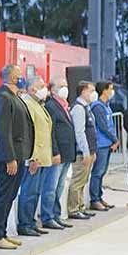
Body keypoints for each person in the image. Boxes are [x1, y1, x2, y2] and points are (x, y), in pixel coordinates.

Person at [0, 64, 33, 250]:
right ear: (12, 78)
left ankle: (2, 232)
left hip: (18, 153)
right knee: (4, 194)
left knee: (11, 195)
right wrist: (9, 157)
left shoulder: (15, 96)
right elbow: (2, 129)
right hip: (9, 155)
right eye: (19, 75)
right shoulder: (2, 97)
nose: (22, 78)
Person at [16, 77, 58, 236]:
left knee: (36, 192)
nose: (44, 89)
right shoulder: (27, 103)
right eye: (40, 86)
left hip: (42, 157)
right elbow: (28, 133)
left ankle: (31, 222)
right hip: (34, 157)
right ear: (32, 89)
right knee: (28, 192)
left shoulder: (38, 104)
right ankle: (24, 223)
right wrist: (31, 157)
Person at [41, 76, 76, 230]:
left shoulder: (64, 105)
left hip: (67, 153)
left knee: (59, 187)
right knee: (50, 187)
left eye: (66, 85)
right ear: (52, 89)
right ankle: (47, 216)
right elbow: (51, 132)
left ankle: (56, 215)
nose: (65, 88)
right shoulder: (51, 105)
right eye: (61, 85)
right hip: (57, 154)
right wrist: (55, 152)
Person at [67, 81, 98, 220]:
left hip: (89, 151)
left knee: (83, 181)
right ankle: (73, 209)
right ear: (83, 91)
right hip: (81, 153)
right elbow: (79, 132)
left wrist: (92, 151)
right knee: (77, 181)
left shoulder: (87, 108)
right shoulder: (79, 108)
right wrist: (85, 151)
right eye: (91, 90)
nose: (93, 94)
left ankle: (80, 207)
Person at [89, 81, 119, 210]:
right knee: (98, 172)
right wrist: (115, 139)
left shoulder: (106, 105)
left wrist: (113, 141)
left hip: (107, 143)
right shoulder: (98, 107)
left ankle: (99, 197)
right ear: (104, 90)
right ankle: (94, 199)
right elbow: (103, 126)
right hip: (101, 144)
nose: (112, 91)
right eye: (110, 89)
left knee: (102, 172)